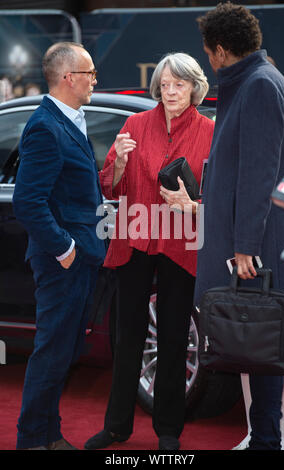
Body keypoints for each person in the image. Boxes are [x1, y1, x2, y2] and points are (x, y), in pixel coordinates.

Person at [84, 52, 214, 451]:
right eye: (165, 84)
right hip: (135, 240)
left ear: (195, 88)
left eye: (180, 84)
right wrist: (120, 165)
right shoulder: (135, 124)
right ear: (156, 86)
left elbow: (218, 194)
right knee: (127, 336)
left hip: (181, 242)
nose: (171, 91)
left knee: (175, 337)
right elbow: (110, 185)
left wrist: (193, 206)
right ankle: (117, 426)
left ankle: (169, 431)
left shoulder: (209, 131)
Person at [196, 3, 284, 450]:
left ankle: (266, 442)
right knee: (256, 346)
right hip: (255, 241)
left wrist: (243, 249)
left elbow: (259, 176)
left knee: (259, 345)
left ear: (220, 51)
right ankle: (264, 438)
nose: (207, 59)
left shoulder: (257, 86)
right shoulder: (258, 81)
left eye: (207, 52)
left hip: (253, 248)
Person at [13, 42, 106, 450]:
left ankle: (49, 436)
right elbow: (27, 201)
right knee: (51, 354)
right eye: (89, 73)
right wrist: (65, 248)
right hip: (61, 262)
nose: (94, 80)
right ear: (69, 78)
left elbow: (74, 189)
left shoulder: (70, 119)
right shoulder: (44, 126)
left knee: (64, 353)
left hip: (80, 257)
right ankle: (32, 439)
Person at [233, 93, 284, 451]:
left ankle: (283, 432)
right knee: (254, 349)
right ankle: (254, 430)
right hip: (269, 262)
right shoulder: (274, 157)